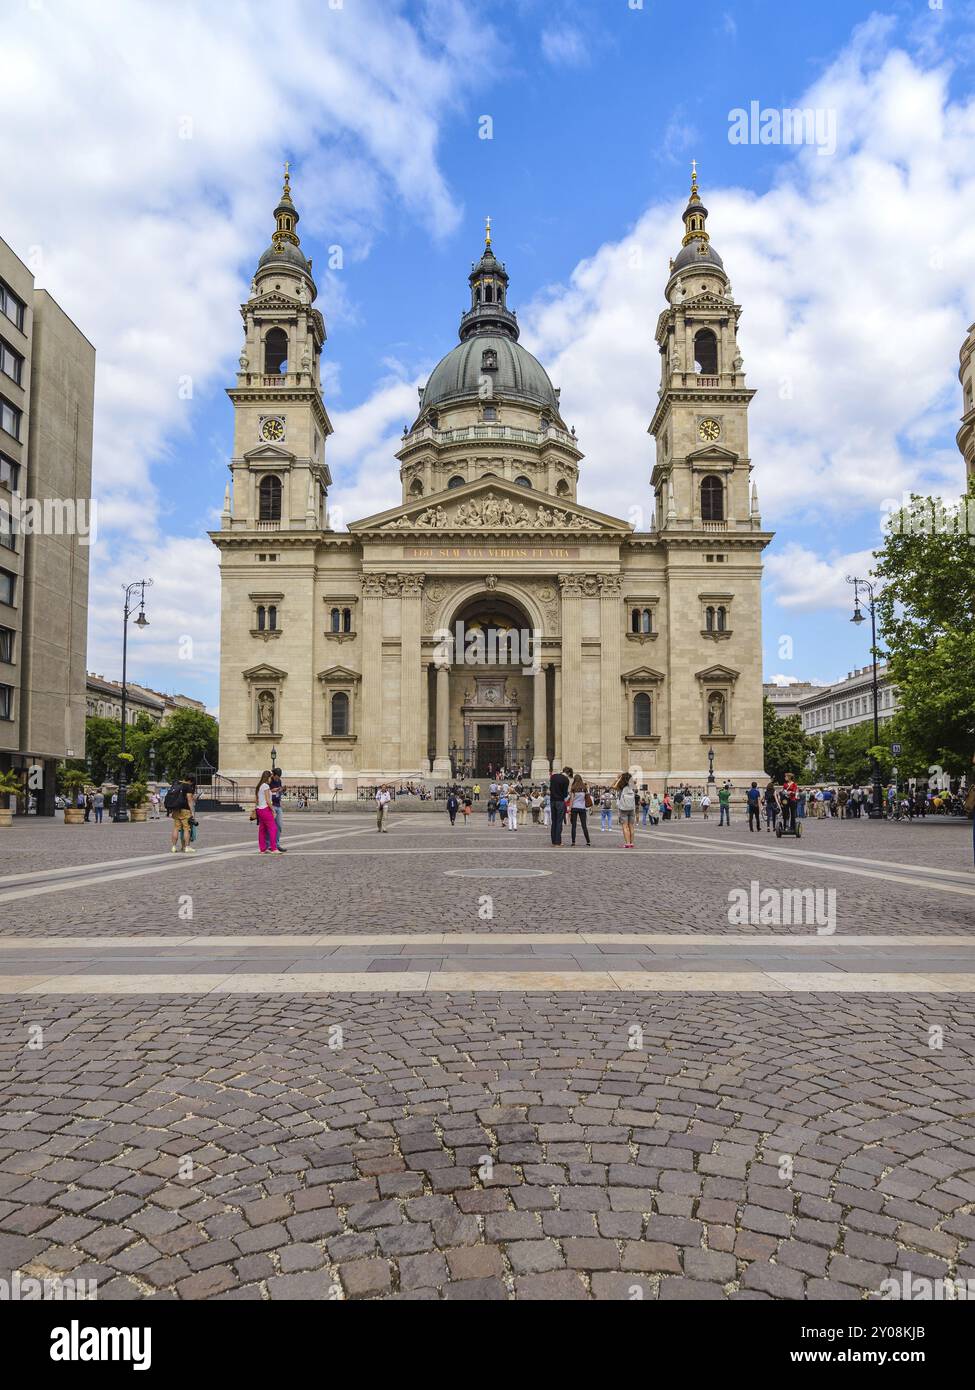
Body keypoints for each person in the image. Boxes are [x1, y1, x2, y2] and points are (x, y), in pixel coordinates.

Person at [166, 774, 196, 853]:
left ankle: (173, 847)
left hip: (176, 809)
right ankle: (187, 847)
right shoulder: (188, 786)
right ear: (190, 781)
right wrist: (192, 812)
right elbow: (189, 800)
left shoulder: (177, 784)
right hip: (185, 810)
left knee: (176, 828)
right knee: (186, 829)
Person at [255, 770, 280, 853]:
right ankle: (274, 848)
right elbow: (268, 800)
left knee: (262, 829)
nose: (271, 779)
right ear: (268, 777)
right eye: (270, 777)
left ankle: (262, 849)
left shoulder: (260, 786)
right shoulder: (266, 786)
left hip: (259, 809)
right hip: (265, 809)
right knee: (273, 828)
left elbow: (258, 798)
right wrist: (273, 810)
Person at [614, 771, 637, 847]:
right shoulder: (632, 786)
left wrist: (618, 778)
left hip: (623, 808)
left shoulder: (620, 787)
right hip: (631, 808)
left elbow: (614, 786)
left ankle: (627, 843)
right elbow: (634, 782)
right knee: (631, 826)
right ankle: (631, 843)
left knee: (625, 826)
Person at [569, 773, 592, 846]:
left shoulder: (573, 788)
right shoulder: (584, 788)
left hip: (574, 808)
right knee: (584, 825)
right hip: (582, 808)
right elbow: (587, 797)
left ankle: (573, 842)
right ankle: (588, 841)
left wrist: (569, 809)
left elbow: (571, 800)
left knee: (574, 826)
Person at [550, 766, 571, 846]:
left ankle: (553, 841)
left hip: (552, 801)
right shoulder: (565, 780)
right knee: (559, 822)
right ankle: (558, 841)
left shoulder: (553, 776)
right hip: (560, 802)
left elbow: (551, 788)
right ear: (568, 773)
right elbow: (565, 794)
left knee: (554, 821)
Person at [268, 767, 287, 852]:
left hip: (278, 805)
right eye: (277, 777)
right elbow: (267, 791)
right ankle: (268, 845)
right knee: (270, 826)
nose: (278, 778)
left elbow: (279, 791)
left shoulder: (279, 780)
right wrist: (275, 789)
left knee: (279, 826)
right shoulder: (269, 780)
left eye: (279, 777)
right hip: (271, 805)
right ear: (274, 775)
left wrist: (282, 790)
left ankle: (276, 844)